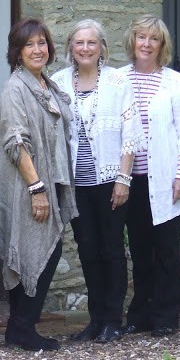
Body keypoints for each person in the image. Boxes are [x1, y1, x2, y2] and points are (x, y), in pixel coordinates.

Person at [52, 19, 145, 343]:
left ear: (102, 47)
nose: (85, 48)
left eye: (91, 43)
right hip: (76, 185)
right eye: (79, 43)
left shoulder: (118, 81)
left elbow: (130, 134)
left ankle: (112, 321)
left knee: (112, 249)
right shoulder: (58, 83)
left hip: (110, 181)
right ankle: (95, 320)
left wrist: (123, 179)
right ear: (70, 47)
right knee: (88, 250)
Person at [0, 17, 78, 352]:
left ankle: (20, 326)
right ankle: (22, 327)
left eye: (42, 43)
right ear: (17, 51)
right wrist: (36, 188)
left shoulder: (45, 85)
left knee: (46, 249)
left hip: (48, 179)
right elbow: (16, 141)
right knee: (33, 251)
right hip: (30, 185)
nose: (37, 49)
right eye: (29, 44)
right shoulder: (16, 88)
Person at [120, 15, 180, 337]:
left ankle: (165, 316)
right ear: (133, 40)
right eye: (142, 37)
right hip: (130, 181)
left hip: (165, 179)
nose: (147, 44)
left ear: (162, 45)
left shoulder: (174, 82)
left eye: (154, 39)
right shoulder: (118, 79)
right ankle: (140, 315)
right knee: (140, 251)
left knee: (166, 250)